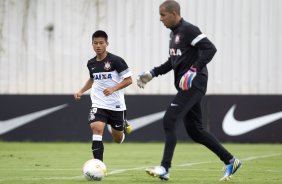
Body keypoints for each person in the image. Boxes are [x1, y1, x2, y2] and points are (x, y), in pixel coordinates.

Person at [137, 0, 241, 181]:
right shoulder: (174, 34)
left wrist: (194, 69)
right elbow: (173, 61)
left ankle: (165, 168)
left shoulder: (189, 29)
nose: (160, 19)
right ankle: (230, 160)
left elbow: (210, 48)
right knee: (196, 131)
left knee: (169, 119)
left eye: (163, 15)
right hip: (187, 86)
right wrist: (153, 73)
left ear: (174, 14)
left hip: (194, 85)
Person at [74, 30, 132, 162]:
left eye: (101, 43)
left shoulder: (116, 61)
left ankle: (122, 127)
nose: (98, 46)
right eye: (95, 43)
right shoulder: (91, 63)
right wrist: (81, 91)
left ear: (107, 44)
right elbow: (92, 79)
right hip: (99, 103)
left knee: (117, 139)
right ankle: (98, 165)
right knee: (97, 128)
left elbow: (129, 80)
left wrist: (113, 88)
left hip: (116, 105)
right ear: (92, 44)